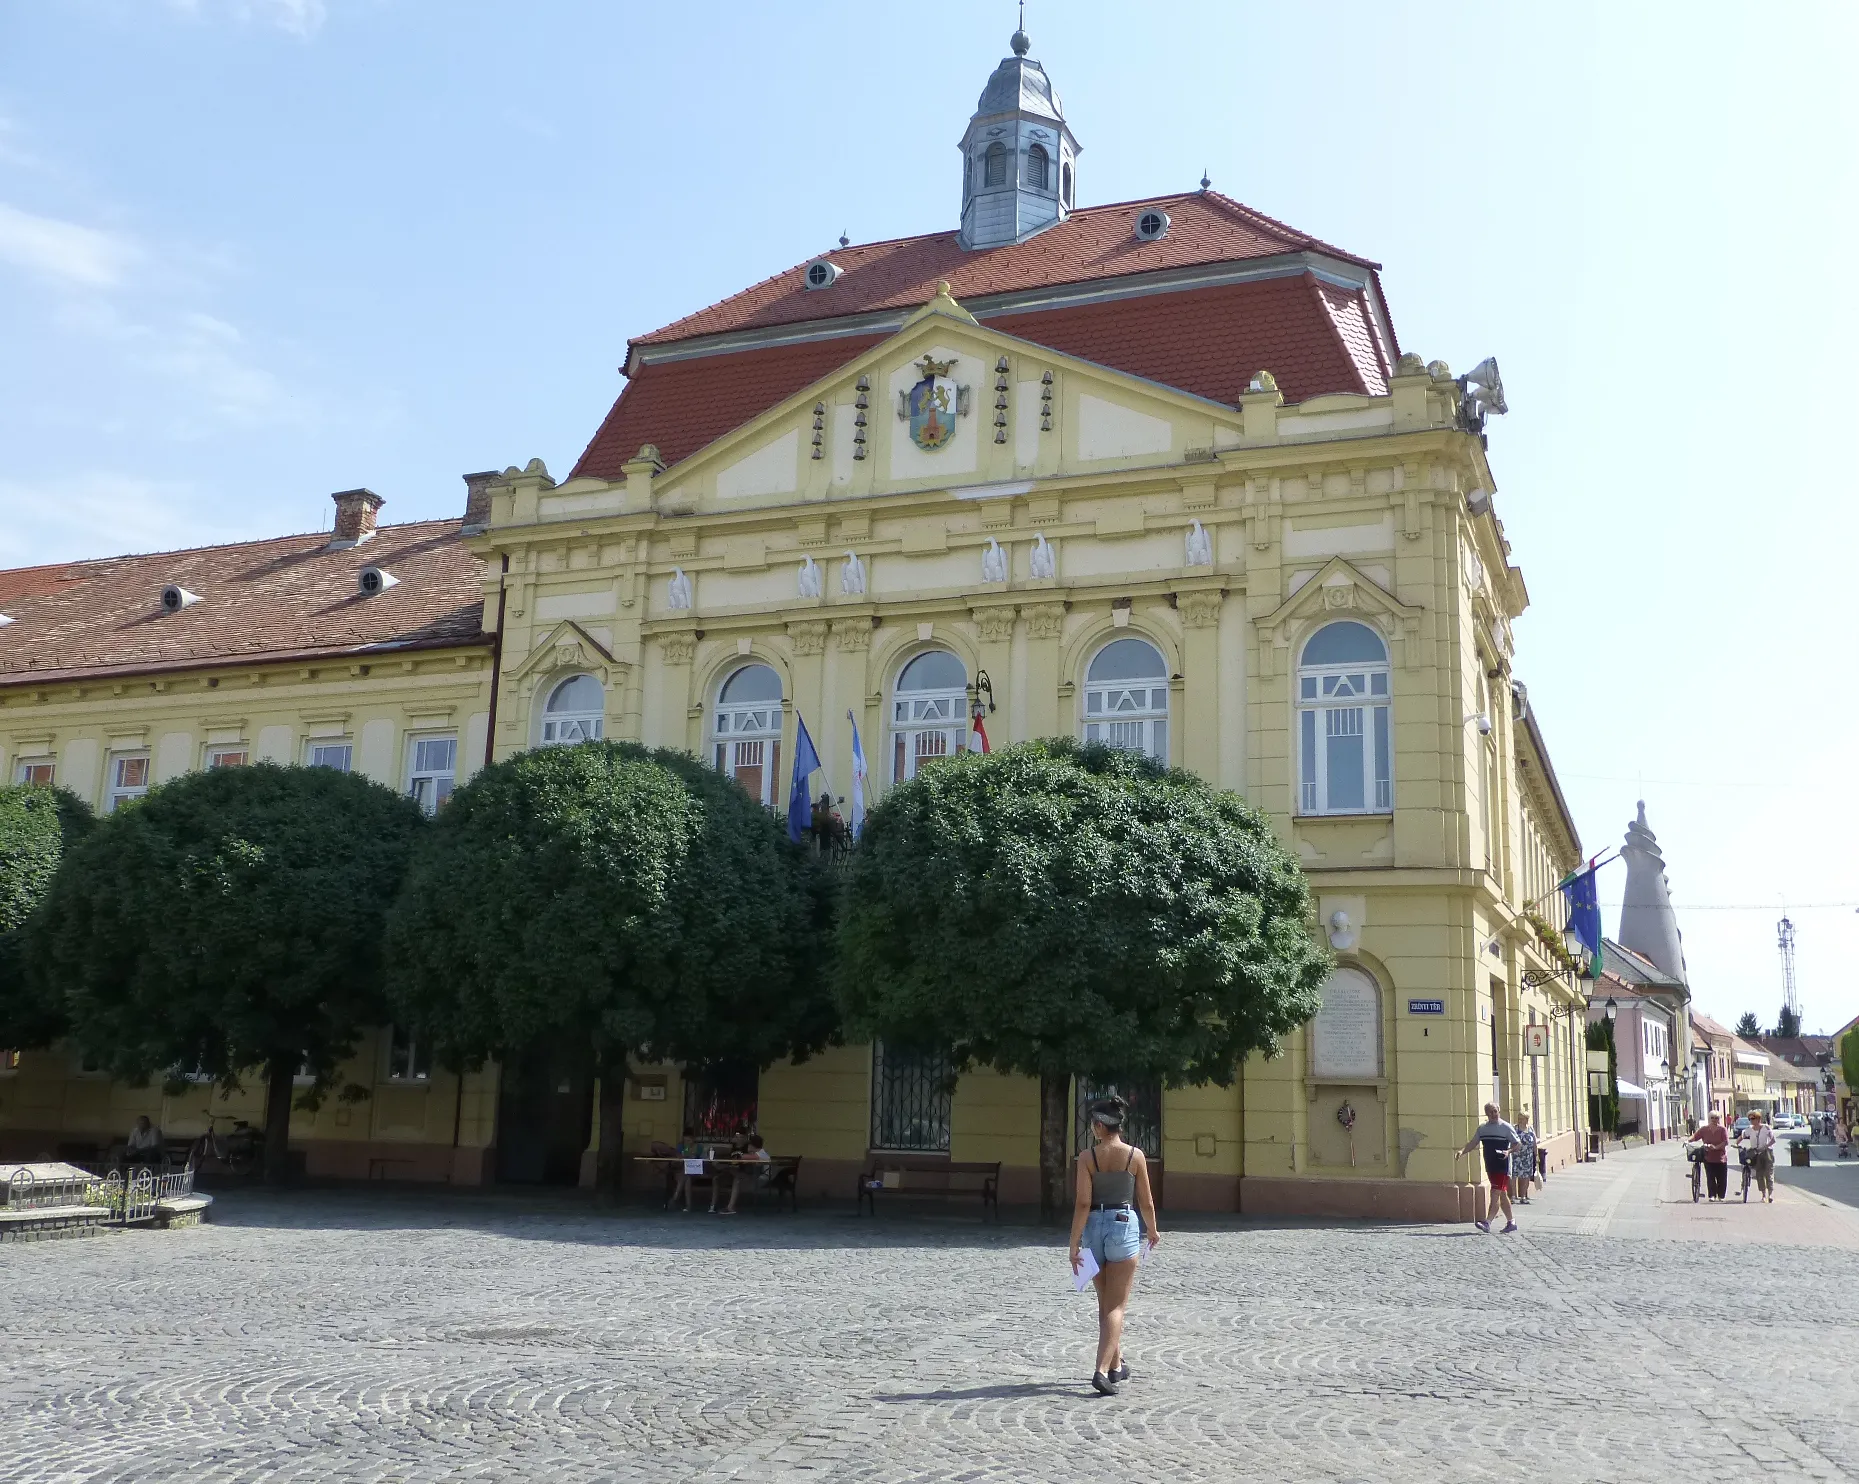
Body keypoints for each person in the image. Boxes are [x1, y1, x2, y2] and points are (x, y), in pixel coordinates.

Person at [1067, 1096, 1160, 1396]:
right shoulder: (1135, 1156)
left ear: (1098, 1126)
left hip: (1094, 1227)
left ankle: (1117, 1365)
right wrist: (1153, 1231)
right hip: (1123, 1224)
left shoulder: (1087, 1158)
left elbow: (1082, 1202)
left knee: (1105, 1302)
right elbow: (1145, 1201)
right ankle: (1102, 1370)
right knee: (1117, 1305)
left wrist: (1073, 1243)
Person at [1456, 1104, 1520, 1233]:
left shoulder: (1506, 1127)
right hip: (1490, 1165)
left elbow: (1517, 1144)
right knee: (1502, 1194)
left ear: (1499, 1111)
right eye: (1490, 1112)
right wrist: (1462, 1151)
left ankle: (1487, 1222)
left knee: (1495, 1192)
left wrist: (1509, 1151)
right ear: (1486, 1114)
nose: (1493, 1114)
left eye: (1495, 1111)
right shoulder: (1483, 1128)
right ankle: (1511, 1222)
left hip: (1502, 1165)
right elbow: (1473, 1143)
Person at [714, 1133, 769, 1216]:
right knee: (736, 1177)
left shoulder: (759, 1155)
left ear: (752, 1145)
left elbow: (741, 1157)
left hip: (761, 1178)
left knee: (736, 1179)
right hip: (756, 1175)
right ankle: (730, 1207)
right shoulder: (760, 1153)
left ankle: (730, 1207)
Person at [1738, 1110, 1776, 1203]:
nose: (1751, 1120)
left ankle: (1770, 1194)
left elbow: (1773, 1140)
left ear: (1759, 1119)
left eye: (1753, 1118)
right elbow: (1741, 1136)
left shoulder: (1766, 1128)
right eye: (1750, 1119)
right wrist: (1737, 1144)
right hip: (1755, 1153)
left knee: (1768, 1173)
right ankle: (1763, 1195)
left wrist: (1766, 1146)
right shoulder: (1749, 1129)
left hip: (1767, 1153)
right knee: (1759, 1174)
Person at [1695, 1111, 1730, 1199]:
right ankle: (1712, 1195)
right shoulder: (1704, 1129)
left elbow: (1726, 1142)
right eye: (1712, 1118)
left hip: (1720, 1157)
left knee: (1721, 1178)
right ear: (1709, 1119)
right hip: (1708, 1157)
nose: (1714, 1120)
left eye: (1716, 1118)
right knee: (1710, 1177)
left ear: (1719, 1119)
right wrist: (1688, 1141)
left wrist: (1716, 1147)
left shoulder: (1722, 1129)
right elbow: (1695, 1136)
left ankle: (1721, 1196)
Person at [1510, 1113, 1539, 1203]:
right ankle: (1513, 1196)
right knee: (1514, 1175)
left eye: (1522, 1118)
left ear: (1526, 1119)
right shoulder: (1514, 1128)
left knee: (1526, 1176)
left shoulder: (1530, 1129)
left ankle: (1523, 1196)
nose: (1520, 1120)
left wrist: (1536, 1155)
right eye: (1519, 1118)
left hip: (1527, 1157)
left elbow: (1534, 1143)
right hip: (1516, 1156)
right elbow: (1510, 1141)